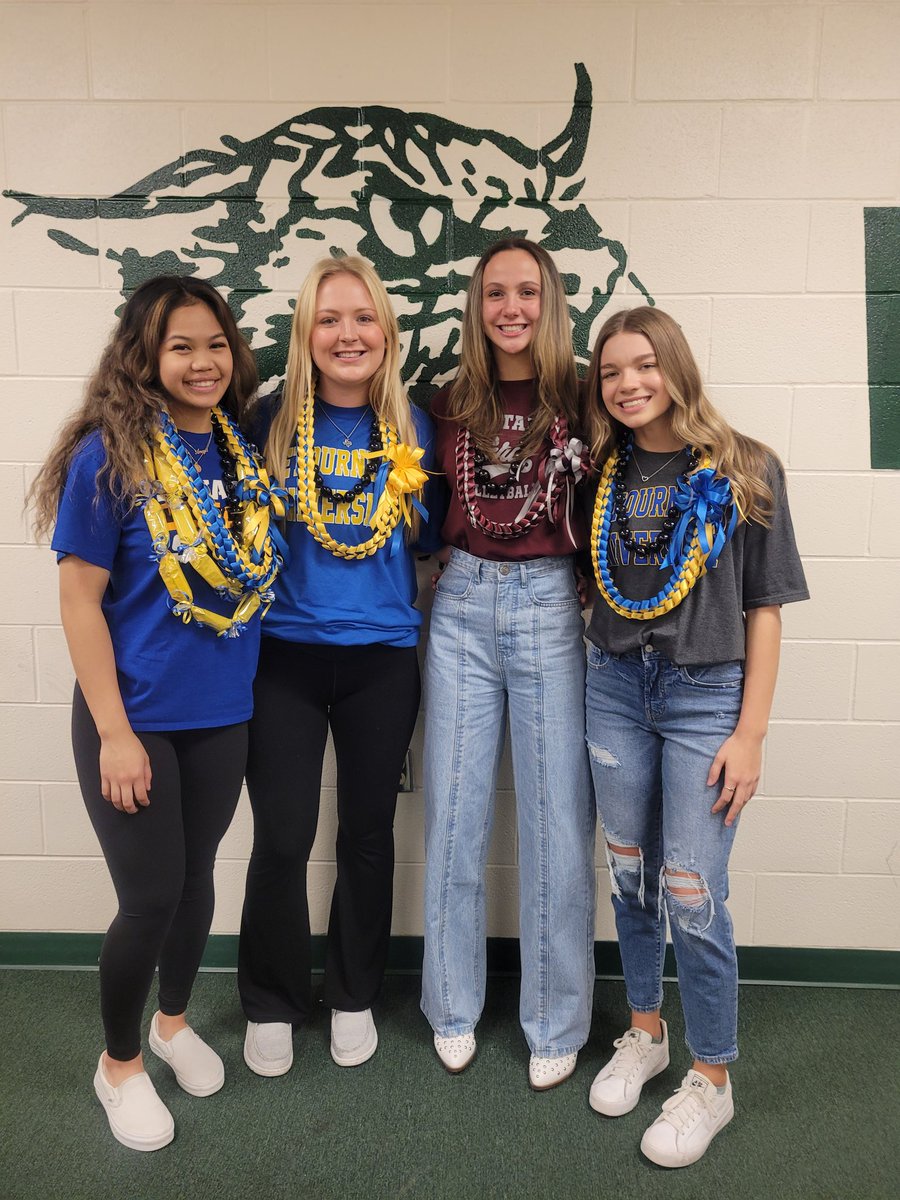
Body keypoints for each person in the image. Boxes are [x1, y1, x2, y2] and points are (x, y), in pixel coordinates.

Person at [30, 276, 281, 1151]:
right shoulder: (111, 455)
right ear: (144, 356)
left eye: (216, 343)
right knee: (148, 898)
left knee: (197, 876)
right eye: (182, 346)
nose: (204, 361)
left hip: (221, 713)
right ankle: (120, 1063)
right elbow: (78, 602)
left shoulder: (240, 451)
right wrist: (114, 733)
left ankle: (173, 1023)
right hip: (132, 718)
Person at [582, 306, 808, 1166]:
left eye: (644, 365)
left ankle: (712, 1079)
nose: (628, 384)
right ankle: (647, 1033)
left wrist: (751, 733)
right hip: (610, 686)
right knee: (631, 873)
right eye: (611, 373)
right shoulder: (603, 469)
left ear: (676, 366)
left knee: (691, 888)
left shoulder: (747, 467)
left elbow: (766, 608)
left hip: (705, 697)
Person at [238, 255, 437, 1075]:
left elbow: (429, 542)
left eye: (362, 318)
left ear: (387, 332)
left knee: (366, 832)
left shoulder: (416, 427)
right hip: (282, 658)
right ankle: (272, 1001)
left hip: (382, 662)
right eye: (329, 319)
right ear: (305, 334)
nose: (347, 333)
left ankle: (354, 993)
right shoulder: (264, 421)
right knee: (283, 835)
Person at [421, 237, 596, 1090]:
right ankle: (451, 1004)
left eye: (528, 291)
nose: (512, 308)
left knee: (556, 819)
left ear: (551, 300)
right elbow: (422, 509)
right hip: (461, 609)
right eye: (496, 293)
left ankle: (555, 1019)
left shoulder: (586, 392)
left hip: (549, 608)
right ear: (477, 305)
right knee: (453, 811)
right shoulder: (450, 401)